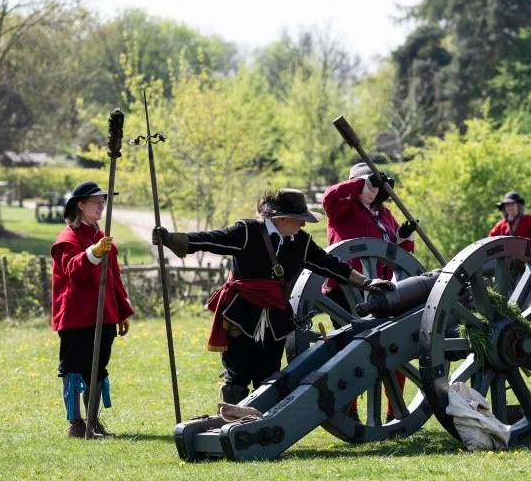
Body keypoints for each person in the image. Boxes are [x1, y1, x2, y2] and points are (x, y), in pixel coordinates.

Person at [152, 188, 395, 405]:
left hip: (276, 317)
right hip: (242, 315)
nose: (303, 226)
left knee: (268, 374)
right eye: (300, 220)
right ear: (283, 218)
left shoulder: (300, 241)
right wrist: (172, 239)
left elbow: (330, 265)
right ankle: (230, 421)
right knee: (237, 375)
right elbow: (211, 240)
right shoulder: (247, 232)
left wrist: (367, 282)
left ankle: (262, 425)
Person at [322, 162, 417, 422]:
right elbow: (329, 196)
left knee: (394, 346)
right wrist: (365, 181)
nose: (372, 191)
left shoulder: (384, 214)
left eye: (376, 187)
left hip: (382, 292)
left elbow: (401, 255)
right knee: (351, 352)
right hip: (346, 290)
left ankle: (393, 411)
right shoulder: (342, 209)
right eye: (368, 185)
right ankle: (348, 411)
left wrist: (402, 236)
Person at [51, 181, 134, 438]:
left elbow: (114, 279)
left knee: (98, 370)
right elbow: (74, 270)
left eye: (103, 202)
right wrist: (93, 253)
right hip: (76, 316)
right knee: (74, 369)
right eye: (95, 202)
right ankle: (76, 425)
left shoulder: (101, 237)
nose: (101, 206)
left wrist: (122, 311)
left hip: (105, 314)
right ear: (80, 205)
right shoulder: (67, 239)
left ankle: (92, 422)